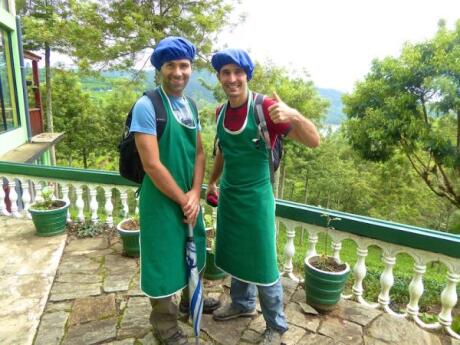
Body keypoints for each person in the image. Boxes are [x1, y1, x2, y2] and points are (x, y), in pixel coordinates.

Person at [207, 48, 320, 345]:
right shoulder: (220, 112)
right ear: (220, 77)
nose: (231, 79)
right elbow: (223, 151)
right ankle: (243, 304)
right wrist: (212, 181)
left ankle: (276, 325)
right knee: (234, 253)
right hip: (230, 196)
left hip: (257, 198)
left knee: (263, 262)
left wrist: (293, 113)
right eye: (225, 73)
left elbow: (313, 140)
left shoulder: (265, 109)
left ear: (247, 75)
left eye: (237, 72)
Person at [131, 36, 219, 345]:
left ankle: (189, 300)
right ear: (160, 69)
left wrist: (196, 192)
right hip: (161, 200)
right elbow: (152, 164)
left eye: (184, 66)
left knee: (190, 250)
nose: (178, 72)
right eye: (171, 65)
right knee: (164, 259)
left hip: (187, 198)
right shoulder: (147, 106)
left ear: (191, 68)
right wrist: (184, 198)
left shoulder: (190, 106)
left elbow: (199, 154)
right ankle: (164, 326)